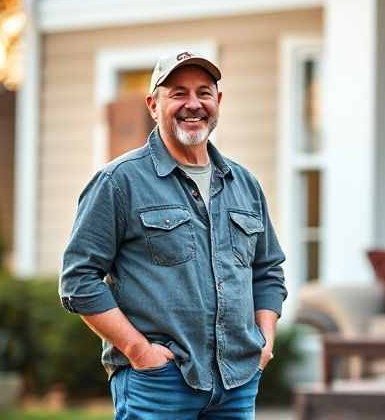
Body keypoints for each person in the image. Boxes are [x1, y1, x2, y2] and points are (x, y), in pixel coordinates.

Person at [59, 50, 287, 419]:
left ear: (218, 102)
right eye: (178, 93)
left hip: (238, 383)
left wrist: (265, 341)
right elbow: (78, 280)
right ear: (153, 104)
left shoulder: (245, 185)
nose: (193, 104)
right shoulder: (118, 182)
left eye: (203, 92)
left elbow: (267, 270)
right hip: (159, 383)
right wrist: (138, 351)